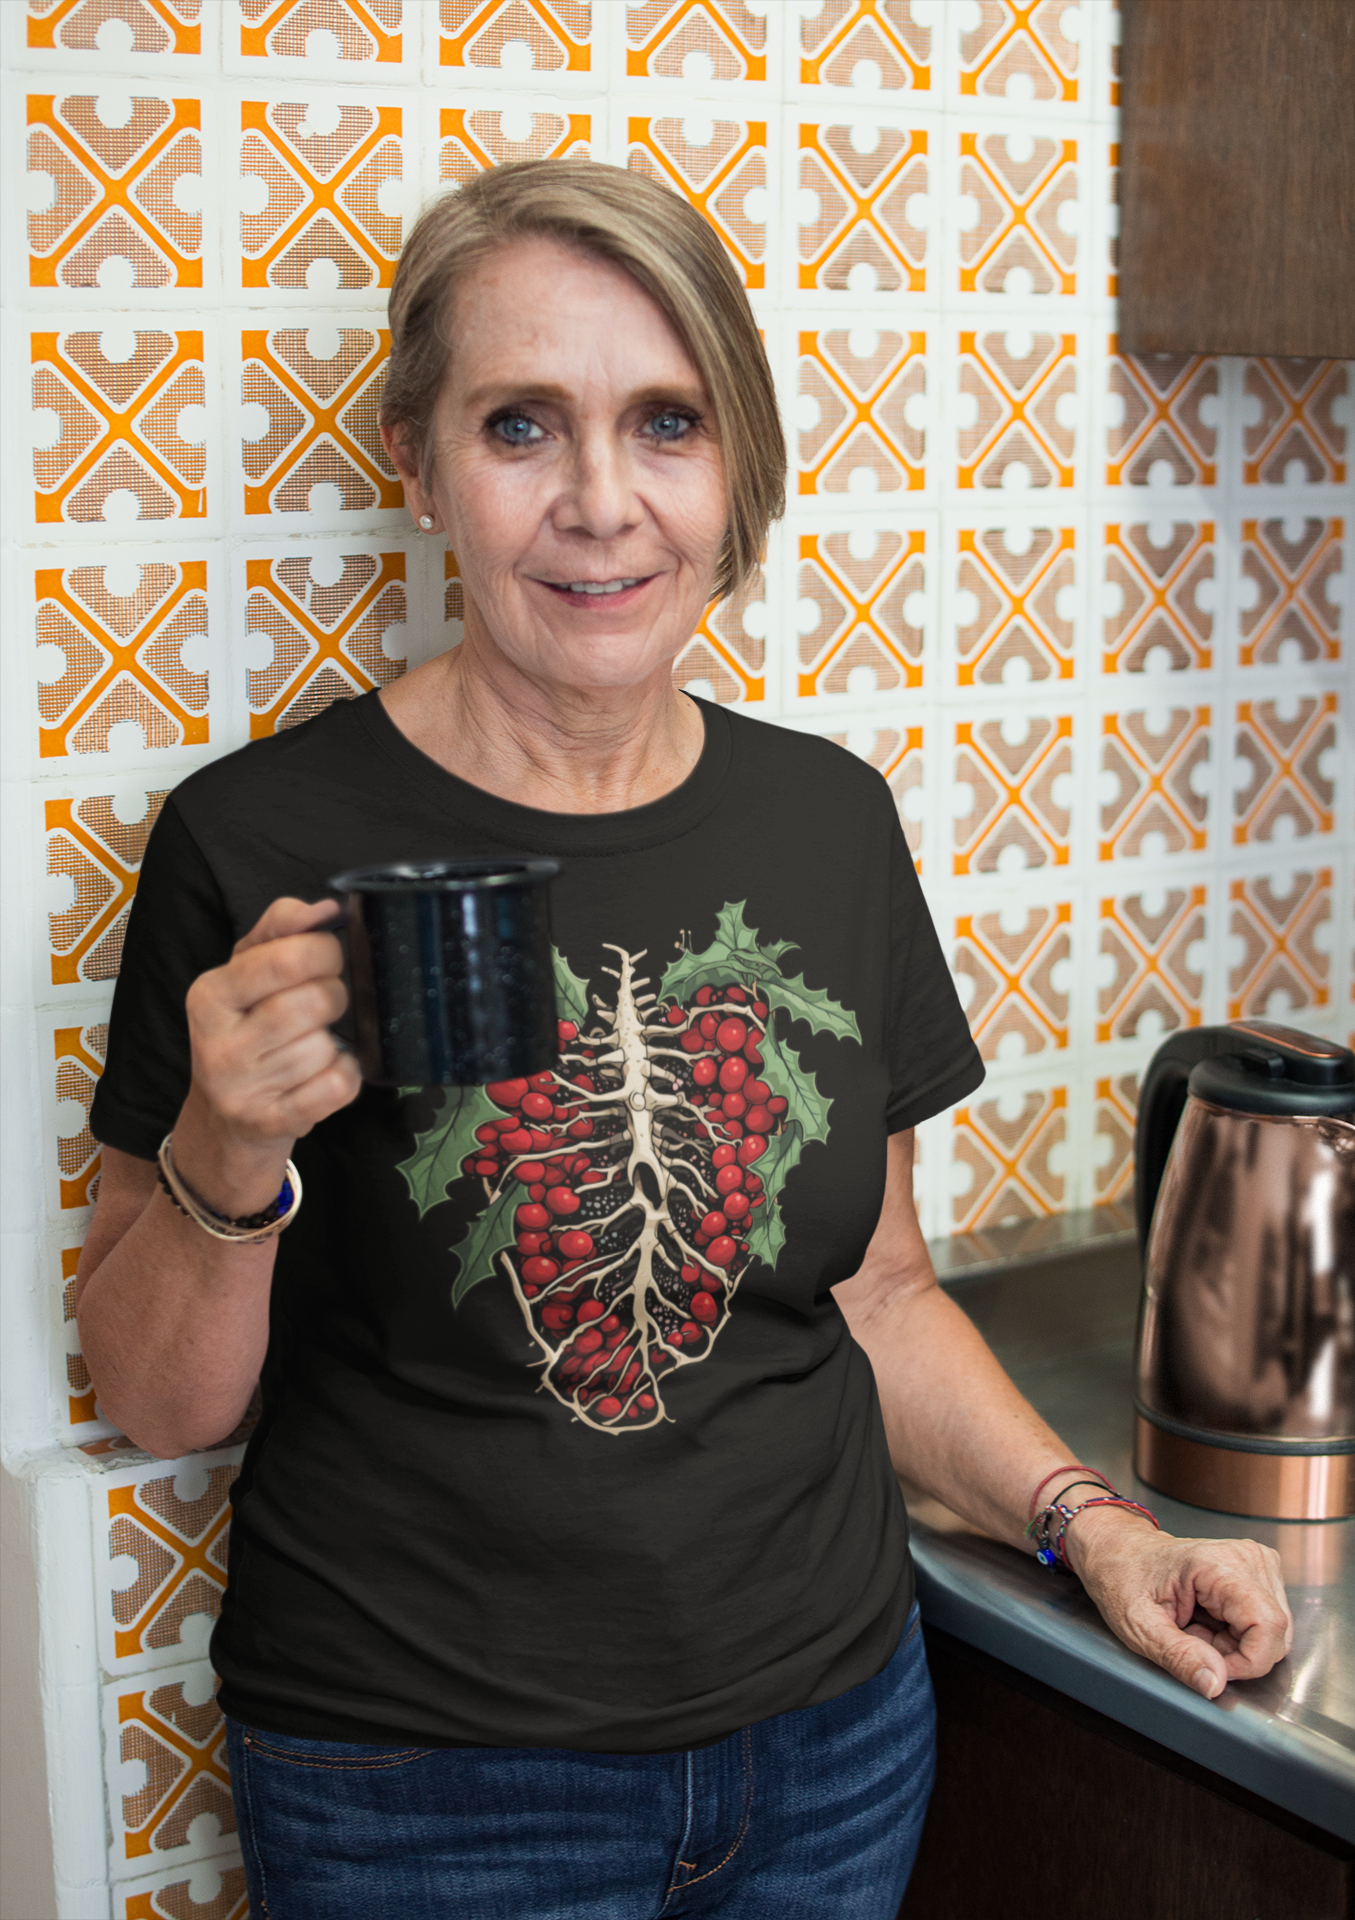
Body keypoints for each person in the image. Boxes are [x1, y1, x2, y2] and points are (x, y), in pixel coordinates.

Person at [76, 162, 1291, 1920]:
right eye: (520, 425)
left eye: (666, 422)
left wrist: (1090, 1527)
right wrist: (224, 1148)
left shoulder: (825, 823)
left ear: (735, 468)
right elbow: (160, 1402)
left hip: (838, 1746)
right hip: (426, 1789)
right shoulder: (254, 840)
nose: (600, 503)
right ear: (415, 461)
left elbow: (875, 1298)